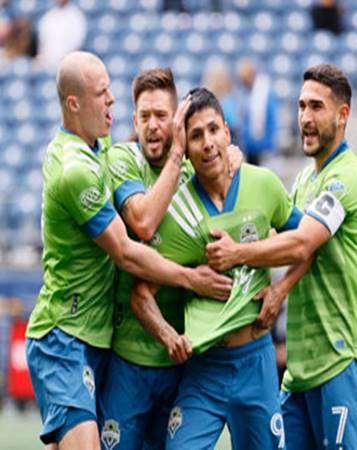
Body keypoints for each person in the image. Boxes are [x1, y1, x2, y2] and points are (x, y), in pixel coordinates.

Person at [24, 51, 227, 450]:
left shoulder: (94, 147)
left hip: (98, 338)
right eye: (102, 94)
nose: (111, 101)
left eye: (111, 92)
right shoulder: (78, 168)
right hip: (65, 333)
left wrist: (225, 155)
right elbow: (128, 250)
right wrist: (191, 278)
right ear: (74, 103)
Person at [206, 63, 357, 449]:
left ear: (343, 114)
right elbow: (283, 242)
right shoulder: (305, 180)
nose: (305, 117)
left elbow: (302, 243)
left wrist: (238, 253)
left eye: (316, 107)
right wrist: (282, 288)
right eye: (302, 106)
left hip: (344, 361)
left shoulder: (346, 176)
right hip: (301, 370)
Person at [131, 87, 302, 449]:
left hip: (256, 362)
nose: (207, 143)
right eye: (196, 136)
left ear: (227, 132)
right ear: (187, 150)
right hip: (205, 369)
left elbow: (306, 245)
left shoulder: (264, 185)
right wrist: (167, 335)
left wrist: (280, 289)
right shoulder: (177, 214)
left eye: (213, 130)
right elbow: (141, 294)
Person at [98, 68, 236, 450]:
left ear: (174, 119)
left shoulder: (197, 168)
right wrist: (177, 153)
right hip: (128, 358)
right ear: (133, 121)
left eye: (162, 116)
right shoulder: (122, 160)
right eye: (145, 117)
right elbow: (142, 222)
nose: (153, 126)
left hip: (181, 364)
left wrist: (231, 157)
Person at [37, 0, 86, 69]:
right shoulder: (48, 17)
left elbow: (77, 45)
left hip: (68, 63)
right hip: (48, 63)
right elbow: (42, 46)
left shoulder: (76, 16)